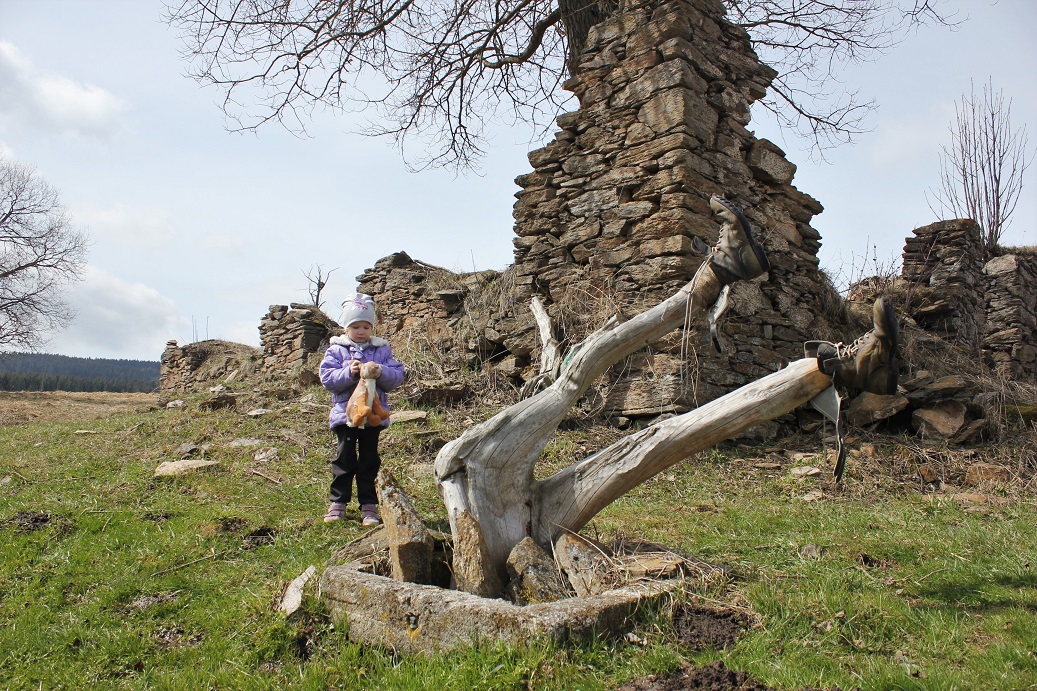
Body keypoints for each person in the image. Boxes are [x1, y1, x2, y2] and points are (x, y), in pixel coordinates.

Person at [319, 293, 405, 525]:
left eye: (366, 326)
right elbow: (327, 379)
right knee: (344, 458)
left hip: (372, 416)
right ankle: (338, 502)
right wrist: (349, 371)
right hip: (346, 417)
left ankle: (369, 505)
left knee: (369, 460)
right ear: (346, 328)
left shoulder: (381, 351)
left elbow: (397, 376)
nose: (361, 331)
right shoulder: (337, 350)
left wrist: (380, 371)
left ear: (372, 328)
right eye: (355, 326)